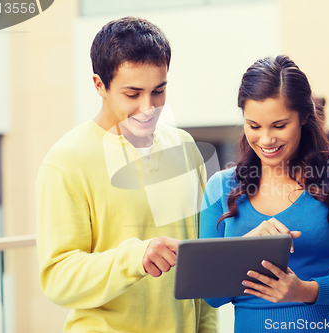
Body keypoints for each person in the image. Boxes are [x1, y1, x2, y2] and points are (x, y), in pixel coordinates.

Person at [35, 17, 218, 332]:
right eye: (132, 94)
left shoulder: (184, 147)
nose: (148, 107)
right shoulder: (66, 161)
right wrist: (135, 257)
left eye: (158, 91)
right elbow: (58, 278)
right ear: (99, 85)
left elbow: (199, 259)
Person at [200, 55, 329, 332]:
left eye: (279, 125)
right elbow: (210, 294)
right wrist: (245, 247)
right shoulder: (221, 188)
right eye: (254, 126)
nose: (266, 140)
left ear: (304, 116)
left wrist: (304, 291)